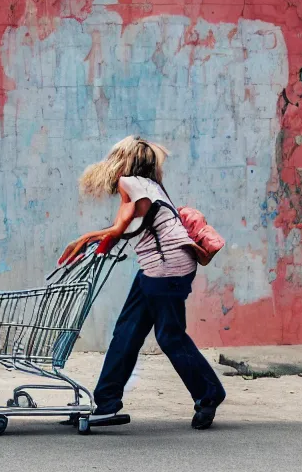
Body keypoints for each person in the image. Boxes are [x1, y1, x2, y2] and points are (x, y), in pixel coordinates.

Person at [61, 135, 226, 430]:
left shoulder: (129, 182)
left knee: (169, 336)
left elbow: (120, 226)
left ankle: (209, 393)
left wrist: (86, 239)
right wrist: (100, 245)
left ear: (124, 161)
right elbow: (127, 230)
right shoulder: (149, 185)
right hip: (159, 269)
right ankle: (107, 403)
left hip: (167, 270)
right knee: (127, 332)